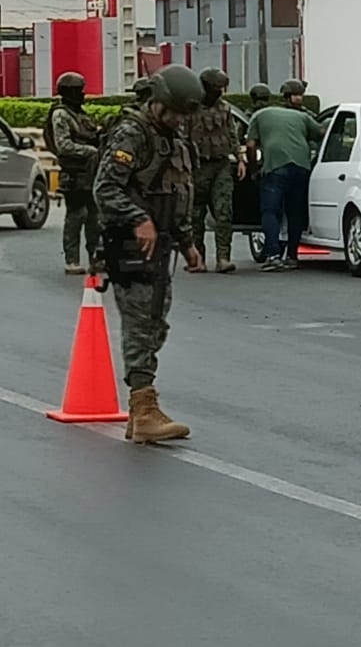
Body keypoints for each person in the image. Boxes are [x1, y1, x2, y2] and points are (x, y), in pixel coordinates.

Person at [94, 65, 204, 444]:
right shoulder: (132, 133)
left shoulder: (172, 136)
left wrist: (187, 241)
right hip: (130, 246)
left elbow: (176, 190)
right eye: (174, 111)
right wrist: (138, 218)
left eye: (184, 114)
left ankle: (143, 406)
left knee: (156, 322)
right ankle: (142, 410)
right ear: (157, 102)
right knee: (142, 324)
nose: (179, 119)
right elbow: (106, 189)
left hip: (160, 247)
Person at [246, 87, 325, 271]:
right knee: (295, 212)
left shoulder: (258, 116)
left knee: (270, 211)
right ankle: (292, 256)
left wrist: (253, 171)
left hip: (275, 165)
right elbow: (321, 132)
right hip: (301, 166)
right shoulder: (302, 117)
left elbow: (250, 146)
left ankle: (273, 255)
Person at [188, 68, 246, 274]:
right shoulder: (190, 109)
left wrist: (240, 159)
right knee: (196, 215)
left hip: (221, 164)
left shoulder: (225, 108)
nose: (220, 92)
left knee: (224, 212)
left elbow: (232, 135)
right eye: (216, 88)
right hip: (197, 167)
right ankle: (198, 259)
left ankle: (223, 257)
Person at [46, 71, 102, 274]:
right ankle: (72, 260)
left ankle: (96, 258)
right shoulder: (61, 114)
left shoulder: (80, 114)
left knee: (95, 218)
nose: (82, 94)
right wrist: (90, 150)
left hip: (91, 172)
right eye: (78, 90)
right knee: (76, 217)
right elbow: (63, 145)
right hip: (74, 173)